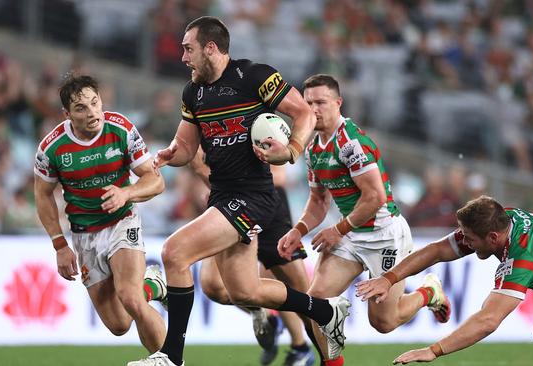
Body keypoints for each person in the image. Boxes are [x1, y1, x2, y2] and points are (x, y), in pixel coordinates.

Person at [128, 16, 350, 366]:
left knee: (174, 252)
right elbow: (186, 148)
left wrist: (291, 149)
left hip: (255, 195)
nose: (183, 57)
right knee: (243, 290)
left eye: (189, 49)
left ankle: (171, 356)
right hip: (222, 194)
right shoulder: (193, 93)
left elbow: (303, 113)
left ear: (211, 48)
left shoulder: (256, 76)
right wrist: (171, 155)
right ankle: (325, 311)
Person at [277, 74, 451, 366]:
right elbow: (319, 202)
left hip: (384, 235)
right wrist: (298, 230)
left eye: (321, 102)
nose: (314, 109)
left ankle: (428, 291)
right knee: (315, 301)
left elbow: (375, 198)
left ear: (338, 103)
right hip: (351, 234)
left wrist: (337, 229)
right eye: (308, 103)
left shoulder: (351, 143)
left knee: (384, 323)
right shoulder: (312, 148)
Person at [356, 195, 533, 365]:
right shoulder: (502, 221)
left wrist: (433, 351)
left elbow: (488, 320)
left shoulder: (522, 260)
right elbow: (438, 250)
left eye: (468, 238)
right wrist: (389, 279)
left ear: (492, 238)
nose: (464, 243)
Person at [33, 74, 168, 353]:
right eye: (81, 108)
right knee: (118, 324)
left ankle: (169, 359)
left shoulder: (121, 129)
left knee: (130, 298)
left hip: (122, 222)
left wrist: (126, 193)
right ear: (67, 114)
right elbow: (42, 195)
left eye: (95, 103)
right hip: (84, 236)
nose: (93, 112)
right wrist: (59, 244)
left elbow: (155, 181)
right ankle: (152, 286)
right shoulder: (51, 148)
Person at [189, 148, 315, 366]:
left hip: (267, 203)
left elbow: (279, 174)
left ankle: (302, 346)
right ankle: (266, 317)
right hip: (226, 205)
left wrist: (232, 185)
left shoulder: (256, 117)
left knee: (293, 284)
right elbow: (196, 162)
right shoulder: (202, 121)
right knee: (213, 286)